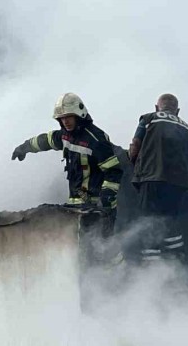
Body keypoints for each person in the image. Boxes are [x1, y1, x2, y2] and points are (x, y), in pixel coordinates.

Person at [11, 92, 123, 238]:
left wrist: (106, 200)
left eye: (69, 117)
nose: (65, 122)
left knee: (104, 248)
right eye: (62, 118)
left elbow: (113, 171)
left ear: (79, 115)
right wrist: (24, 147)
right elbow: (46, 140)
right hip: (78, 206)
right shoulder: (65, 136)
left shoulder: (96, 139)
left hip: (99, 208)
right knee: (81, 248)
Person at [128, 93, 188, 264]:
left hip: (150, 181)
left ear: (156, 107)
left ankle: (151, 269)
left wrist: (137, 166)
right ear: (178, 111)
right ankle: (176, 266)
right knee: (171, 225)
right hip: (178, 186)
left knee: (148, 224)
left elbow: (134, 149)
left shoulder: (149, 119)